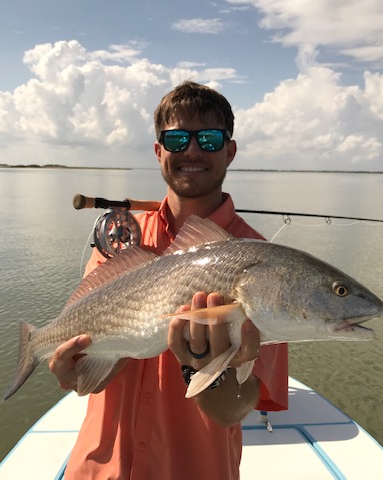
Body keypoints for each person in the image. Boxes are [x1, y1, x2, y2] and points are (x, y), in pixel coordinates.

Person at [49, 81, 289, 480]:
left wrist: (209, 372)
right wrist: (74, 370)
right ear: (159, 151)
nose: (192, 150)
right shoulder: (121, 240)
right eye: (176, 139)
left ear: (229, 150)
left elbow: (234, 410)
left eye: (209, 139)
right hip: (97, 469)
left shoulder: (262, 263)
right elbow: (95, 365)